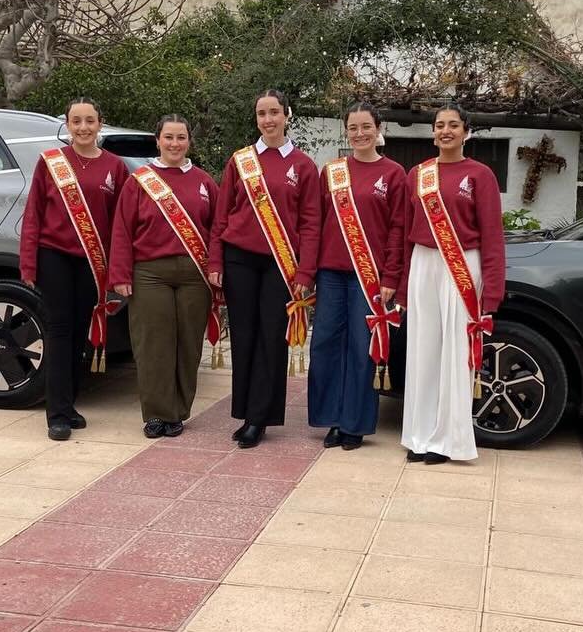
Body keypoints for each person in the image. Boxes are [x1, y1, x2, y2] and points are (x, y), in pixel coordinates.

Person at [207, 89, 321, 449]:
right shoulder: (241, 161)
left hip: (280, 264)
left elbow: (311, 223)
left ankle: (260, 417)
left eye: (274, 112)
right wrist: (215, 260)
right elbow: (222, 215)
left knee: (271, 338)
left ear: (287, 114)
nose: (268, 120)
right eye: (262, 114)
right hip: (239, 258)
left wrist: (306, 272)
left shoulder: (303, 165)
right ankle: (245, 411)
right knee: (244, 336)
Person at [398, 102, 505, 464]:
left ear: (466, 131)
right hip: (423, 263)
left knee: (456, 354)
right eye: (440, 125)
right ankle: (419, 436)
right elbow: (406, 233)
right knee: (423, 351)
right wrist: (402, 285)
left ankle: (448, 441)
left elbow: (492, 236)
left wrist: (492, 292)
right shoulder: (418, 175)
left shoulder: (480, 175)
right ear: (433, 132)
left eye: (453, 125)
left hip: (462, 266)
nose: (446, 131)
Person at [19, 97, 129, 441]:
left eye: (90, 121)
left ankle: (69, 405)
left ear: (100, 124)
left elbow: (120, 224)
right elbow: (33, 214)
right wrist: (28, 263)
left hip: (92, 262)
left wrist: (117, 270)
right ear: (67, 125)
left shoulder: (115, 167)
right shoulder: (51, 162)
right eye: (76, 121)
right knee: (59, 331)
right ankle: (57, 414)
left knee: (81, 333)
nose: (83, 127)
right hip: (54, 256)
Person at [110, 115, 221, 439]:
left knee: (188, 345)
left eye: (181, 137)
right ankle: (157, 413)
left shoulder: (204, 182)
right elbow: (122, 229)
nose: (175, 144)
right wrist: (120, 273)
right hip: (149, 273)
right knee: (153, 345)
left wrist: (216, 267)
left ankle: (178, 412)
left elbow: (217, 229)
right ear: (157, 140)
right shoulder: (139, 181)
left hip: (194, 274)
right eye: (168, 137)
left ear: (189, 142)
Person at [307, 102, 408, 450]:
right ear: (346, 131)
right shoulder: (332, 172)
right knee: (325, 345)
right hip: (330, 273)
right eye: (353, 128)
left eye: (366, 127)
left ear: (379, 129)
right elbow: (316, 223)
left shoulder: (394, 174)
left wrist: (391, 276)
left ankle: (354, 424)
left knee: (362, 349)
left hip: (370, 278)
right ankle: (332, 419)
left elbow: (398, 229)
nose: (360, 134)